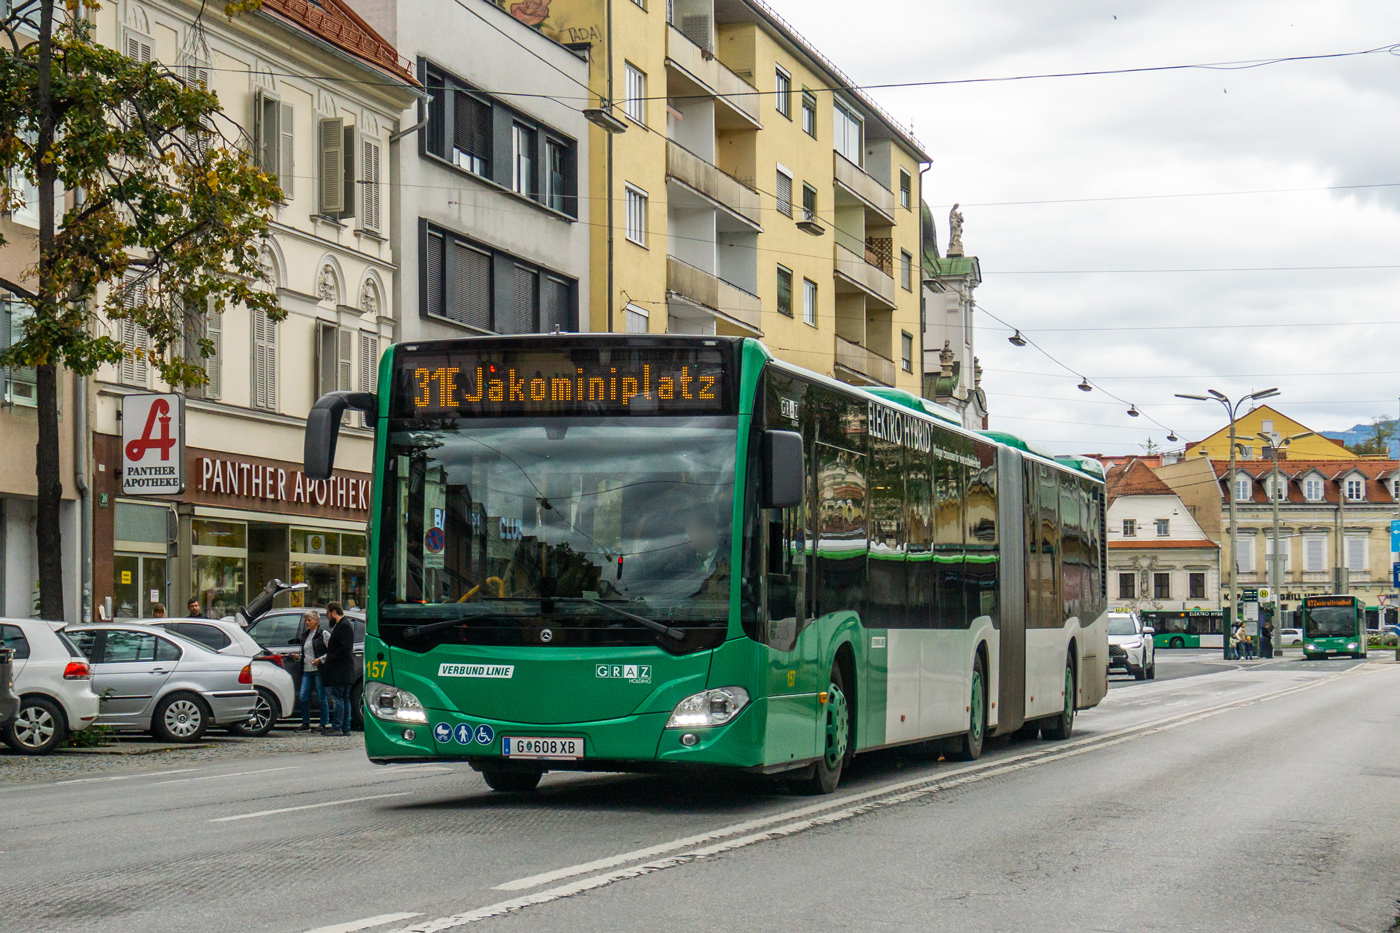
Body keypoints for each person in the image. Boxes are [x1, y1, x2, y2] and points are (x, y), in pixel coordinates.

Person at [319, 602, 354, 736]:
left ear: (334, 612)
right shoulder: (344, 625)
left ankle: (337, 726)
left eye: (328, 613)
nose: (327, 617)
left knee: (337, 697)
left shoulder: (343, 626)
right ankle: (345, 727)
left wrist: (330, 657)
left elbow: (344, 648)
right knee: (344, 698)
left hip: (341, 669)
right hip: (343, 669)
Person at [297, 610, 330, 733]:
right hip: (307, 669)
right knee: (303, 696)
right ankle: (306, 722)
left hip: (318, 670)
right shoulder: (306, 635)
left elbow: (331, 651)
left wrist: (320, 660)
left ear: (316, 620)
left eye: (309, 620)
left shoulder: (323, 634)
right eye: (306, 620)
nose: (307, 622)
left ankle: (323, 723)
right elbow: (306, 652)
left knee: (322, 697)